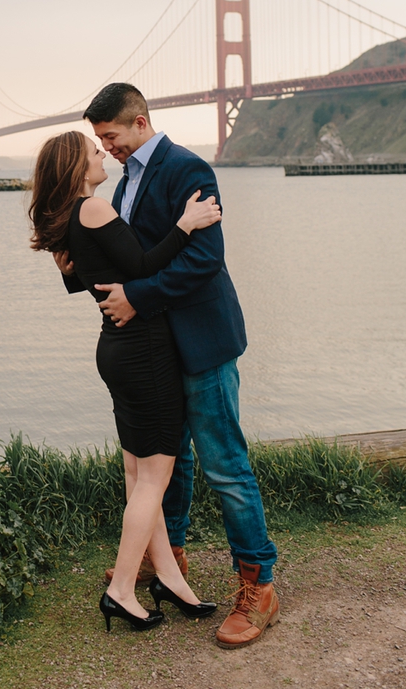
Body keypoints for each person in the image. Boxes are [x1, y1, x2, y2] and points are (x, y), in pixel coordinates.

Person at [56, 83, 279, 649]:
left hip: (202, 339)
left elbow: (206, 260)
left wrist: (136, 298)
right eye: (100, 142)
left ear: (140, 122)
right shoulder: (125, 180)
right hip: (156, 350)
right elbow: (123, 257)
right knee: (168, 463)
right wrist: (72, 263)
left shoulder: (188, 167)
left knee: (224, 463)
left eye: (111, 137)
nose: (107, 149)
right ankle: (167, 561)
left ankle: (259, 583)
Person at [29, 129, 221, 632]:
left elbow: (82, 280)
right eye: (93, 151)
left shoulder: (70, 220)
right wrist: (186, 223)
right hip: (144, 351)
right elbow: (139, 267)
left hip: (116, 350)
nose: (102, 155)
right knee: (154, 477)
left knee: (139, 475)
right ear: (76, 165)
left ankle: (170, 582)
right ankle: (120, 590)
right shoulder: (90, 208)